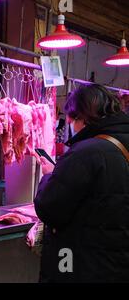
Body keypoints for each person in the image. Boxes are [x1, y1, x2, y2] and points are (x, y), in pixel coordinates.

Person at [34, 84, 129, 283]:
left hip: (81, 264)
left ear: (82, 117)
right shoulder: (120, 144)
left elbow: (50, 207)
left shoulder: (87, 151)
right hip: (116, 262)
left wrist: (49, 177)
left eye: (72, 119)